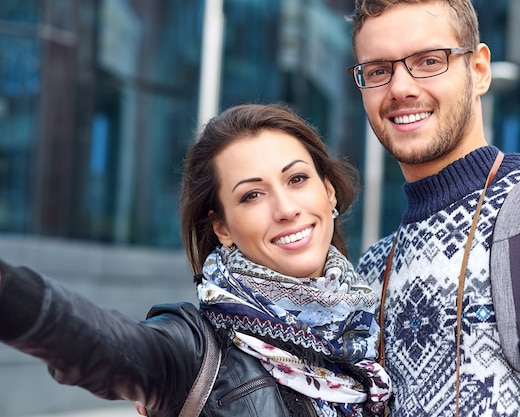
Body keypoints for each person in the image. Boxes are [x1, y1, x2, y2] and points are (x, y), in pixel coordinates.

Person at [0, 103, 391, 417]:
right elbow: (100, 343)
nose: (286, 208)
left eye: (297, 179)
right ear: (222, 227)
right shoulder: (195, 354)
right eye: (251, 195)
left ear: (329, 192)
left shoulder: (379, 323)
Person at [347, 0, 520, 416]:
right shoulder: (370, 274)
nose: (400, 88)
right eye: (378, 71)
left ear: (478, 70)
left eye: (428, 61)